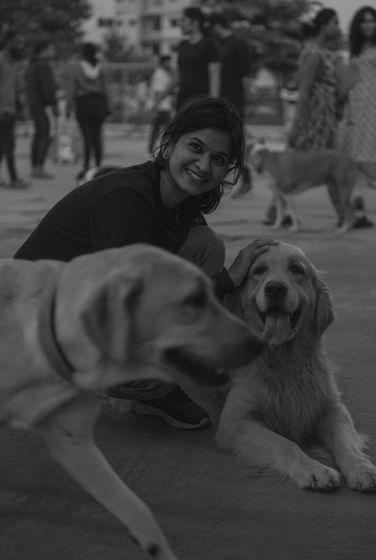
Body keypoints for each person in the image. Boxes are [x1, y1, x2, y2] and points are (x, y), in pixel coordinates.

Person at [14, 96, 275, 431]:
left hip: (76, 309)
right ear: (168, 145)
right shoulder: (127, 198)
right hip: (27, 324)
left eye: (219, 159)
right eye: (195, 147)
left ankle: (148, 392)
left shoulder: (183, 206)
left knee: (205, 245)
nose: (204, 165)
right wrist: (227, 280)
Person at [263, 8, 342, 226]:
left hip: (324, 118)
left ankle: (276, 210)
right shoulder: (314, 53)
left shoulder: (322, 51)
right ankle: (344, 213)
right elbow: (304, 89)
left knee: (325, 165)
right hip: (314, 120)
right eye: (335, 23)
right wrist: (297, 124)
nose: (337, 27)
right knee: (319, 164)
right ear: (324, 25)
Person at [340, 6, 376, 225]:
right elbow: (352, 76)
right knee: (355, 153)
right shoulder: (356, 47)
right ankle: (358, 198)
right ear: (358, 25)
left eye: (372, 21)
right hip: (356, 104)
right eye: (364, 21)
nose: (368, 25)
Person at [211, 12, 254, 198]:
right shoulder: (215, 45)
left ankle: (247, 179)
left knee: (236, 141)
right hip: (218, 100)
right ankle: (216, 181)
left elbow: (245, 74)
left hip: (235, 100)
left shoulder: (238, 44)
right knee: (217, 141)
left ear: (218, 24)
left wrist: (248, 99)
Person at [66, 42, 109, 180]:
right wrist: (107, 106)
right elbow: (105, 88)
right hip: (99, 104)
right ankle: (98, 166)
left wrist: (69, 105)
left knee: (87, 137)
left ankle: (86, 167)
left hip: (84, 103)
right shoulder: (100, 67)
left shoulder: (77, 67)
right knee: (97, 136)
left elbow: (72, 88)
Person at [175, 7, 221, 110]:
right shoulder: (182, 46)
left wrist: (214, 104)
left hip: (201, 103)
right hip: (182, 101)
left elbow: (214, 78)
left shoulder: (209, 45)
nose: (180, 24)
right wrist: (160, 98)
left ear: (195, 22)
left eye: (184, 20)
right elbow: (177, 77)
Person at [0, 29, 30, 189]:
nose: (20, 45)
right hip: (3, 111)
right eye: (17, 42)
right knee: (9, 146)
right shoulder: (1, 61)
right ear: (9, 42)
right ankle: (14, 179)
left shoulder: (12, 63)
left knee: (2, 147)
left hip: (10, 110)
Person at [25, 40, 59, 180]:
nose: (53, 51)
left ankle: (35, 167)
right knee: (45, 135)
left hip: (33, 103)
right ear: (43, 50)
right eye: (51, 48)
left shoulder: (32, 65)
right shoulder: (43, 66)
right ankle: (39, 167)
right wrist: (53, 104)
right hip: (42, 105)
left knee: (38, 135)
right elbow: (47, 88)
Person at [147, 55, 174, 155]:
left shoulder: (163, 73)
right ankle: (164, 149)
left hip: (162, 106)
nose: (170, 64)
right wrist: (156, 107)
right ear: (164, 62)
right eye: (168, 62)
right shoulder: (160, 74)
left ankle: (151, 150)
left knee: (156, 129)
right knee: (169, 129)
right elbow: (157, 92)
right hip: (162, 107)